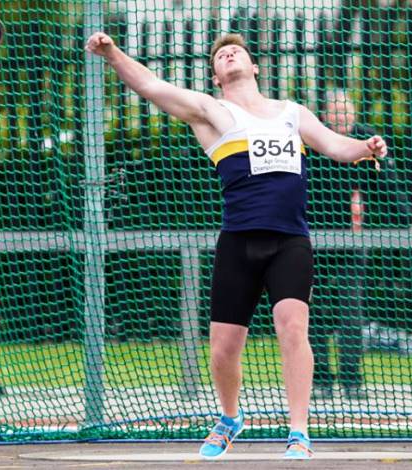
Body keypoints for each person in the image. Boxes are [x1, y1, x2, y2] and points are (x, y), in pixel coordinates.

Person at [85, 32, 387, 460]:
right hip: (238, 242)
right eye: (221, 54)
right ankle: (229, 418)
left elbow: (336, 145)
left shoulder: (291, 112)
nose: (228, 54)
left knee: (293, 328)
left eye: (236, 50)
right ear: (215, 74)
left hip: (290, 240)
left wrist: (366, 147)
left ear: (255, 66)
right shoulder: (210, 111)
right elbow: (151, 85)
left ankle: (298, 431)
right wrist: (113, 54)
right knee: (224, 348)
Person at [309, 89, 412, 400]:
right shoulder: (313, 138)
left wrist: (408, 219)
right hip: (313, 239)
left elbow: (388, 181)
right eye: (335, 111)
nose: (342, 117)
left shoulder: (366, 140)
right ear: (325, 115)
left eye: (347, 110)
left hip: (352, 240)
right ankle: (321, 379)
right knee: (315, 311)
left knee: (352, 311)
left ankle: (351, 381)